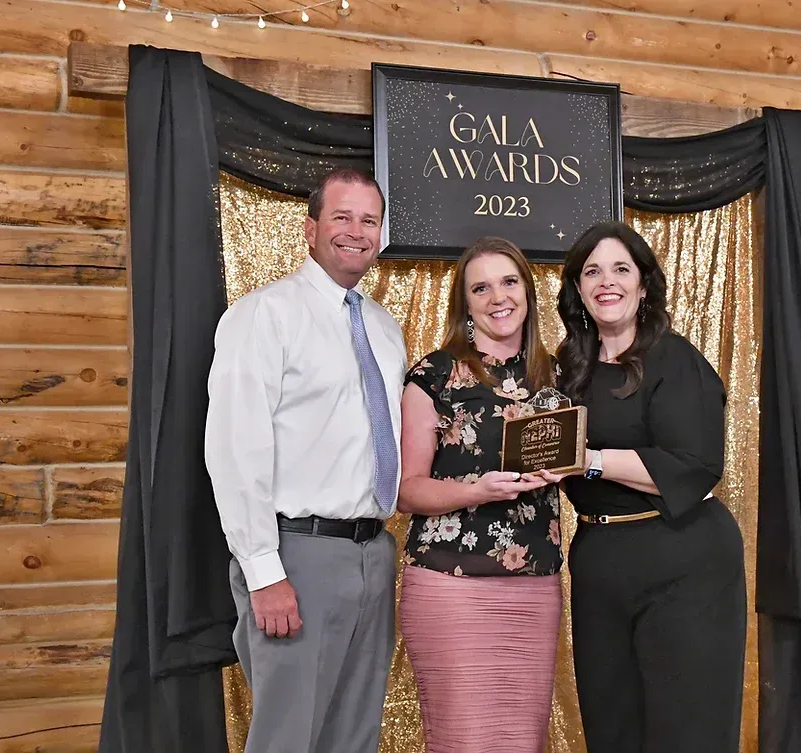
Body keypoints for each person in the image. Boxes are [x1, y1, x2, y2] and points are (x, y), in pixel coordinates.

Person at [204, 167, 407, 753]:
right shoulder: (264, 316)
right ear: (311, 227)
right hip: (297, 556)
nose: (355, 231)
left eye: (369, 220)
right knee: (287, 739)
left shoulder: (383, 328)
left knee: (353, 736)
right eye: (341, 217)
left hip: (373, 551)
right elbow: (234, 448)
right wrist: (265, 572)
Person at [547, 221, 746, 753]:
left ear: (643, 285)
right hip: (598, 562)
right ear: (578, 289)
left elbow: (693, 465)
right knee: (612, 728)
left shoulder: (676, 361)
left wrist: (589, 461)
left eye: (620, 269)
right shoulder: (568, 368)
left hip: (682, 563)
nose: (605, 282)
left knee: (686, 731)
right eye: (591, 271)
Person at [397, 237, 563, 753]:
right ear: (464, 303)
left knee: (521, 742)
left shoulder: (555, 375)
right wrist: (477, 489)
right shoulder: (435, 374)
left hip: (535, 587)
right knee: (463, 742)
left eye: (509, 281)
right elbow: (407, 490)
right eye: (481, 287)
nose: (499, 297)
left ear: (528, 292)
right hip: (451, 585)